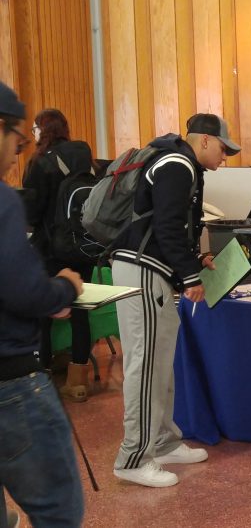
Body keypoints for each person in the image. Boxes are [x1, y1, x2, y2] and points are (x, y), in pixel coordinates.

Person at [111, 113, 241, 488]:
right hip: (142, 271)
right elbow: (166, 226)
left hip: (151, 271)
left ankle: (164, 441)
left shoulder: (180, 164)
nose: (225, 157)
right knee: (145, 365)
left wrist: (193, 261)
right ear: (203, 141)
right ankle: (132, 458)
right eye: (222, 148)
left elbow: (168, 227)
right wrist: (190, 278)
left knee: (160, 362)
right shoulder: (176, 164)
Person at [0, 82, 84, 527]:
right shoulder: (1, 201)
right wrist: (64, 289)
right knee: (58, 512)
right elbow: (23, 291)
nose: (20, 151)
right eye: (17, 137)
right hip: (11, 385)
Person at [22, 109, 97, 401]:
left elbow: (31, 210)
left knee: (44, 312)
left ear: (42, 131)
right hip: (83, 246)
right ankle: (78, 379)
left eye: (34, 129)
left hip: (51, 248)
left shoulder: (40, 163)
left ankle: (42, 374)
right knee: (80, 311)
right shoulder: (85, 156)